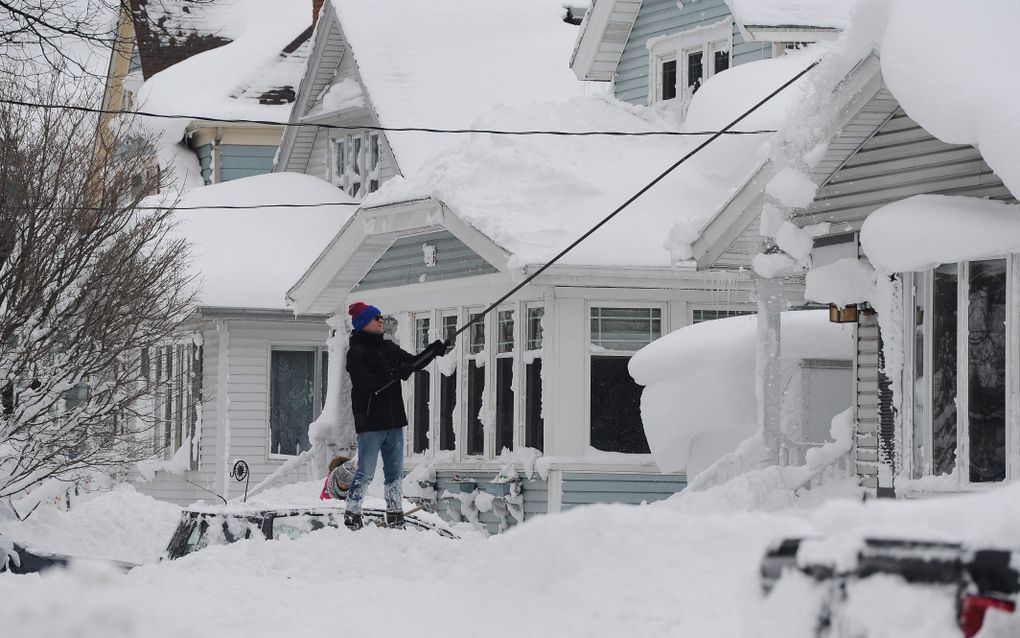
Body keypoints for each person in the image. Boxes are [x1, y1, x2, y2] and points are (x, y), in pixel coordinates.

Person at [343, 302, 447, 529]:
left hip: (393, 422)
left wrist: (432, 351)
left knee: (394, 473)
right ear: (363, 324)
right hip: (370, 423)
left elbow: (412, 363)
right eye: (375, 318)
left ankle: (395, 514)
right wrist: (394, 373)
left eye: (380, 317)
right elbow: (367, 383)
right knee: (366, 472)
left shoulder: (388, 348)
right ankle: (352, 514)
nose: (381, 320)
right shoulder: (356, 353)